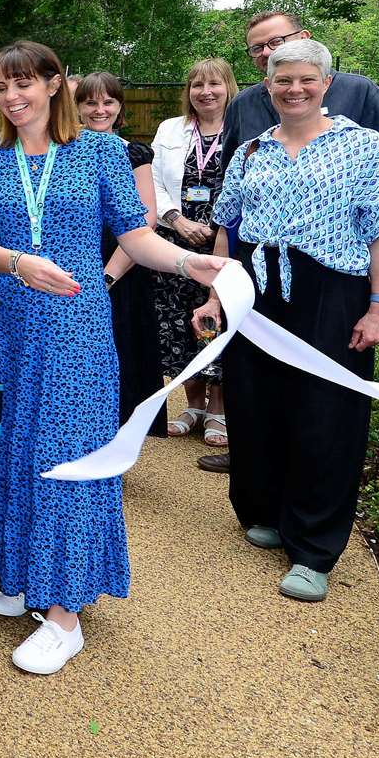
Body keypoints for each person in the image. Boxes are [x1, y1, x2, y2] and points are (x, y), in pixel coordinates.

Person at [0, 40, 225, 676]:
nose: (12, 97)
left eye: (24, 83)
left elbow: (136, 238)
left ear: (55, 84)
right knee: (6, 447)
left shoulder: (102, 152)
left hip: (74, 328)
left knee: (65, 455)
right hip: (6, 324)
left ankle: (65, 616)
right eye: (0, 87)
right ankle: (23, 572)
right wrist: (17, 263)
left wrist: (191, 262)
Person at [194, 39, 379, 604]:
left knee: (325, 413)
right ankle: (265, 510)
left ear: (326, 84)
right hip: (257, 289)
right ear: (267, 86)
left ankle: (313, 548)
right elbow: (227, 229)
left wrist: (378, 305)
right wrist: (218, 296)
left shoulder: (363, 149)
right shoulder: (252, 152)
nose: (294, 90)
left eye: (306, 80)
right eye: (282, 80)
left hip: (331, 292)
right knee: (257, 401)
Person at [150, 58, 238, 466]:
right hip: (175, 239)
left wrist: (217, 225)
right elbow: (152, 180)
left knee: (218, 322)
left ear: (228, 87)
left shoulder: (243, 128)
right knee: (175, 323)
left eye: (214, 84)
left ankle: (219, 409)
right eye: (197, 84)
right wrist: (176, 220)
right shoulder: (170, 129)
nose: (205, 91)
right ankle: (192, 405)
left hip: (225, 240)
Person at [74, 73, 166, 439]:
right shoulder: (60, 149)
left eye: (108, 102)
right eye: (90, 103)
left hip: (122, 270)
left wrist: (108, 277)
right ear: (77, 107)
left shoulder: (134, 152)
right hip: (74, 265)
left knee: (122, 356)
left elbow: (147, 218)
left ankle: (116, 445)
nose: (100, 110)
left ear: (120, 107)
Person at [221, 10, 379, 167]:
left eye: (276, 41)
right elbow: (230, 176)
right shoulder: (242, 105)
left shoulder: (360, 92)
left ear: (304, 37)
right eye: (257, 48)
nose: (266, 52)